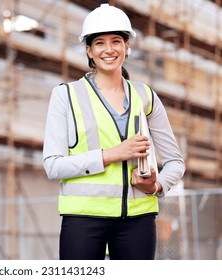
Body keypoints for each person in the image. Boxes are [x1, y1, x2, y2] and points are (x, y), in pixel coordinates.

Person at [42, 4, 185, 260]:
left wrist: (156, 185)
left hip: (138, 221)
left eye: (116, 41)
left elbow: (175, 162)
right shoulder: (65, 95)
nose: (109, 50)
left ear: (127, 46)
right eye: (99, 43)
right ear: (89, 49)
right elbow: (53, 166)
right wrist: (111, 154)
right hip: (84, 220)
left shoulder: (146, 96)